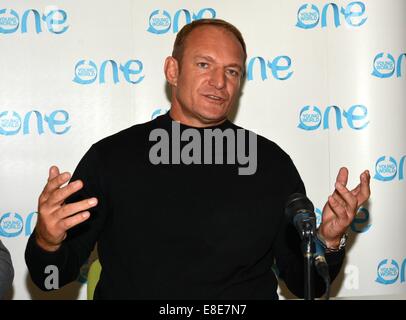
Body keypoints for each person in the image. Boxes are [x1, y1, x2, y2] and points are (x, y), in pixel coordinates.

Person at [25, 19, 371, 299]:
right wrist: (46, 242)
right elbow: (50, 280)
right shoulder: (111, 157)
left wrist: (327, 241)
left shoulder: (271, 164)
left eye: (232, 71)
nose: (219, 82)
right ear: (172, 71)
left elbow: (306, 285)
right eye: (204, 64)